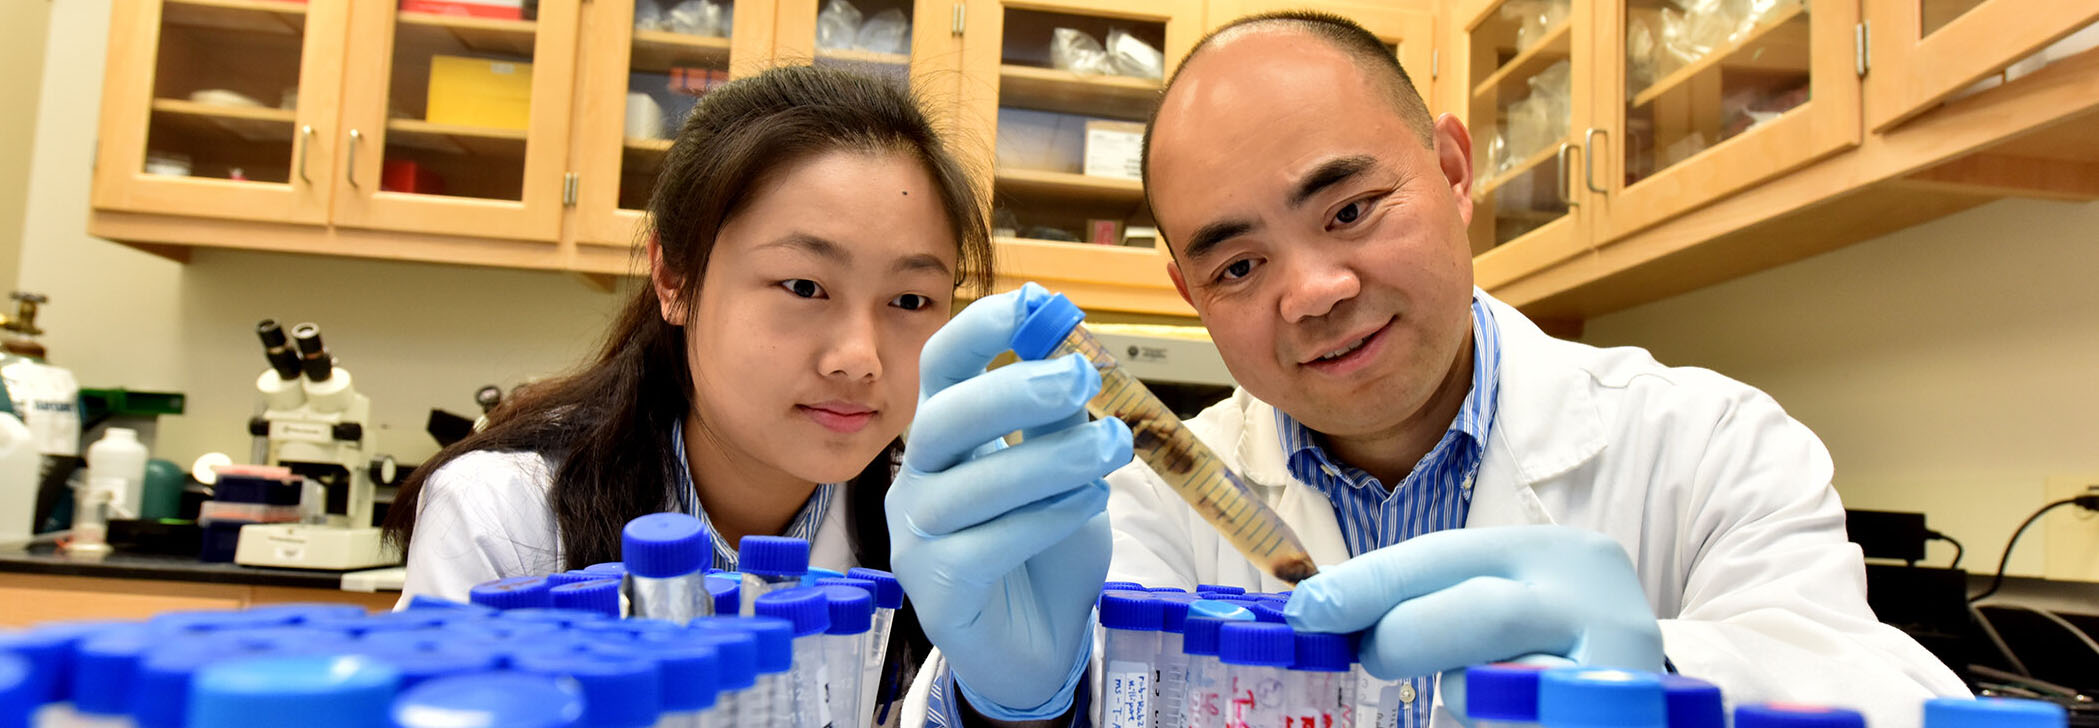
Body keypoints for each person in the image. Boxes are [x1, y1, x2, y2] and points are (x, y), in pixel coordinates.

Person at [886, 11, 1967, 727]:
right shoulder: (1139, 501)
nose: (1309, 289)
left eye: (1350, 208)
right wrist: (1013, 703)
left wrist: (1665, 674)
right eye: (1238, 262)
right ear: (1191, 295)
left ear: (1452, 171)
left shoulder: (1708, 445)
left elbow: (1888, 690)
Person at [381, 65, 993, 721]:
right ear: (674, 279)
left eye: (909, 299)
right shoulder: (507, 515)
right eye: (804, 286)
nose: (859, 358)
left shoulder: (940, 530)